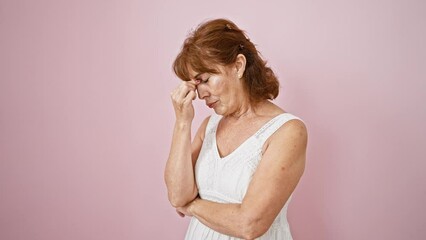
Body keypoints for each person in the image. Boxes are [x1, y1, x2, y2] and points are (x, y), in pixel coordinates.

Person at [164, 18, 308, 240]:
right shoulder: (209, 127)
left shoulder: (288, 132)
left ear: (238, 66)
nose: (200, 95)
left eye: (205, 80)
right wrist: (182, 122)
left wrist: (192, 207)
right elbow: (176, 195)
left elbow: (248, 224)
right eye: (195, 85)